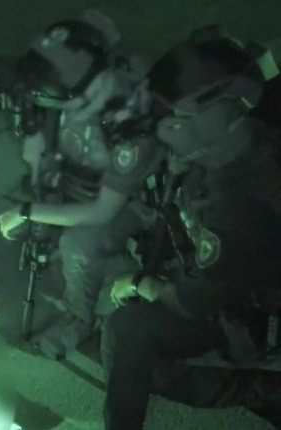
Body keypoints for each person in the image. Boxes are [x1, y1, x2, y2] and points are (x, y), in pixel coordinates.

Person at [101, 28, 281, 429]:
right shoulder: (245, 143)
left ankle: (266, 389)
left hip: (254, 322)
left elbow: (193, 301)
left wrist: (140, 283)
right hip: (244, 293)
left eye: (173, 120)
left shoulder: (234, 199)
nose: (163, 126)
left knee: (128, 333)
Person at [0, 11, 162, 358]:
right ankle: (99, 275)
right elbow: (39, 147)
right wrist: (39, 185)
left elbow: (102, 211)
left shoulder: (130, 118)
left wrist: (29, 211)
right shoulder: (61, 85)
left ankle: (80, 318)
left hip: (131, 201)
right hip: (78, 182)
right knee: (49, 236)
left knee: (79, 242)